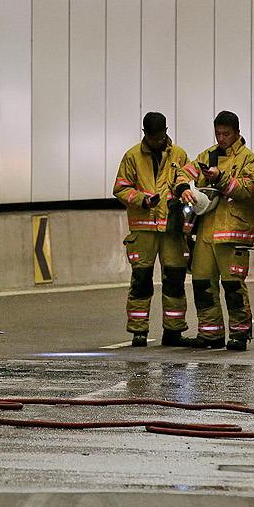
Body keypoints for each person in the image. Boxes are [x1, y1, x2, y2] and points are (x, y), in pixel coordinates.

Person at [182, 111, 254, 351]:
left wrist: (221, 179)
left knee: (233, 287)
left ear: (237, 132)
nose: (222, 138)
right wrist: (184, 187)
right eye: (218, 133)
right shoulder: (207, 155)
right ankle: (210, 334)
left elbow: (249, 190)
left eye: (226, 134)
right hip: (206, 232)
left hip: (233, 232)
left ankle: (239, 334)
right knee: (202, 284)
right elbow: (184, 171)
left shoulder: (248, 159)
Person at [112, 112, 192, 347]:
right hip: (144, 229)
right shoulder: (132, 156)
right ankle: (139, 331)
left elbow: (184, 179)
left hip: (172, 228)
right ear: (145, 134)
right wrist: (143, 200)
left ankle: (174, 331)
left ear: (166, 131)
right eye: (152, 137)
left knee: (174, 281)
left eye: (160, 137)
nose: (157, 141)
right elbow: (121, 188)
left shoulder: (178, 154)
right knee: (141, 281)